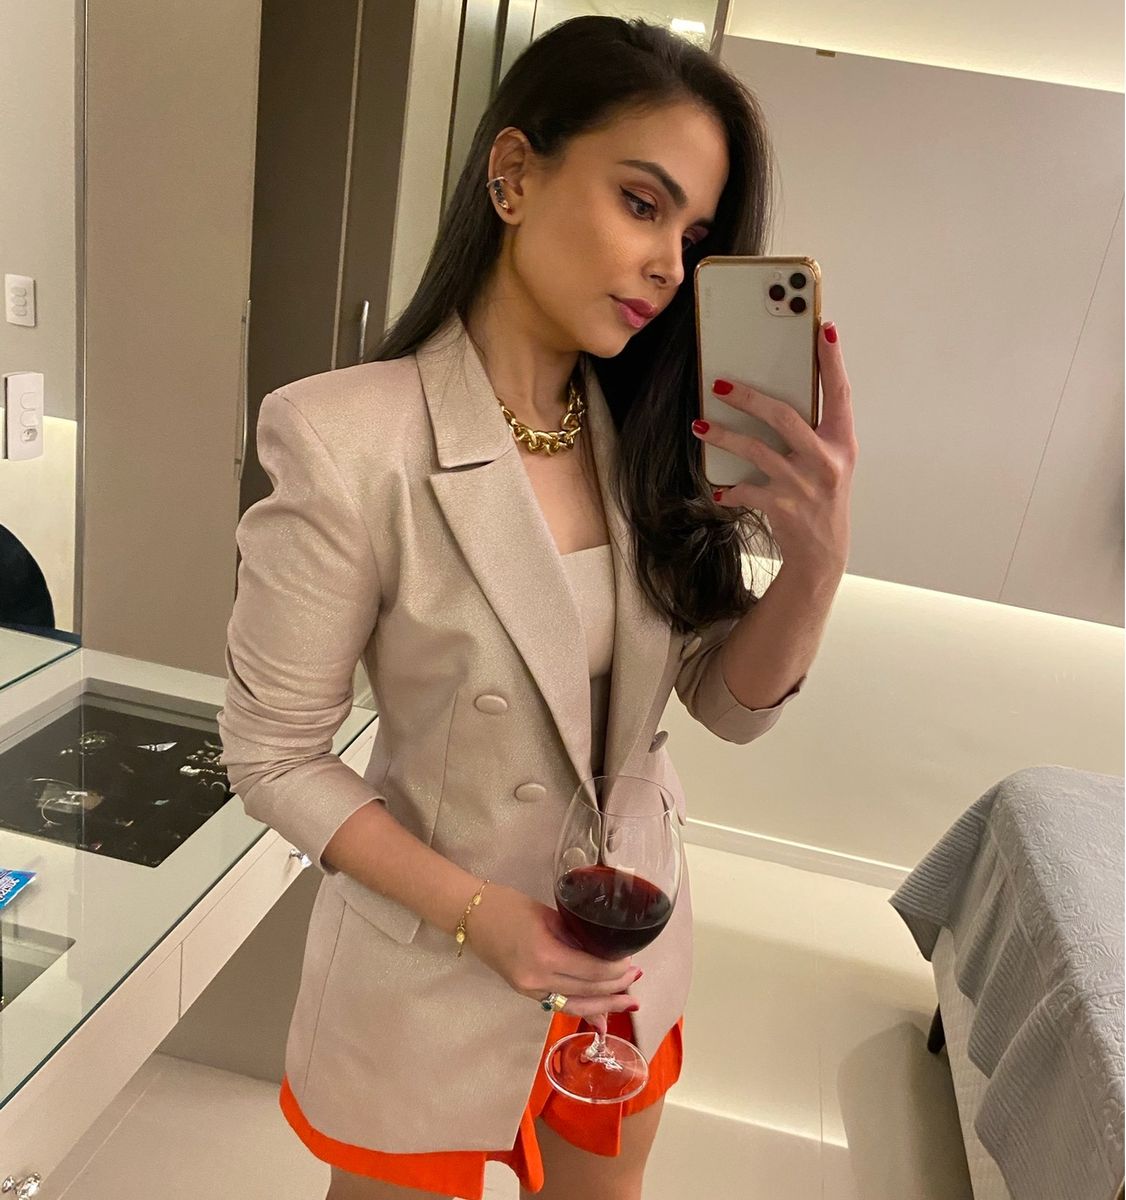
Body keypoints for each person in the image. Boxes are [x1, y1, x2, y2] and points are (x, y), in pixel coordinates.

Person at [217, 15, 856, 1200]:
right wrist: (482, 918)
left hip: (624, 949)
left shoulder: (652, 442)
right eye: (641, 203)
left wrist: (815, 565)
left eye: (694, 236)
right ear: (513, 173)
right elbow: (273, 754)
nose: (668, 265)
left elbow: (727, 707)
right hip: (437, 960)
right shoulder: (345, 434)